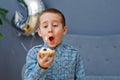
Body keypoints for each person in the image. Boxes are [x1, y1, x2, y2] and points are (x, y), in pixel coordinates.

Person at [24, 8, 86, 80]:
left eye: (55, 25)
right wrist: (41, 67)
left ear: (64, 30)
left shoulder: (74, 54)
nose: (50, 29)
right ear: (40, 32)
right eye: (45, 26)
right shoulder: (34, 53)